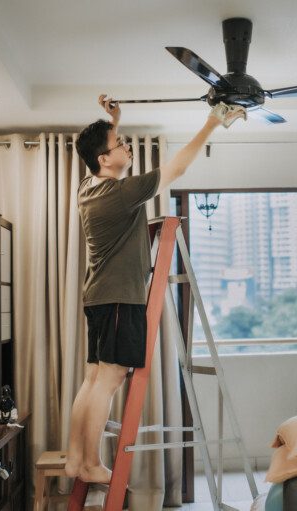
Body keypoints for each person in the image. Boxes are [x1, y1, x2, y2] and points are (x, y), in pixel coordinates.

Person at [65, 94, 246, 483]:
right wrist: (211, 124)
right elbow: (175, 170)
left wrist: (114, 119)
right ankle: (91, 463)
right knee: (109, 380)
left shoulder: (88, 188)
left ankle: (75, 459)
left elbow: (109, 146)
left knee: (93, 378)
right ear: (103, 160)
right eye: (119, 145)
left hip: (99, 296)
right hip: (118, 298)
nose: (125, 147)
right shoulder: (118, 193)